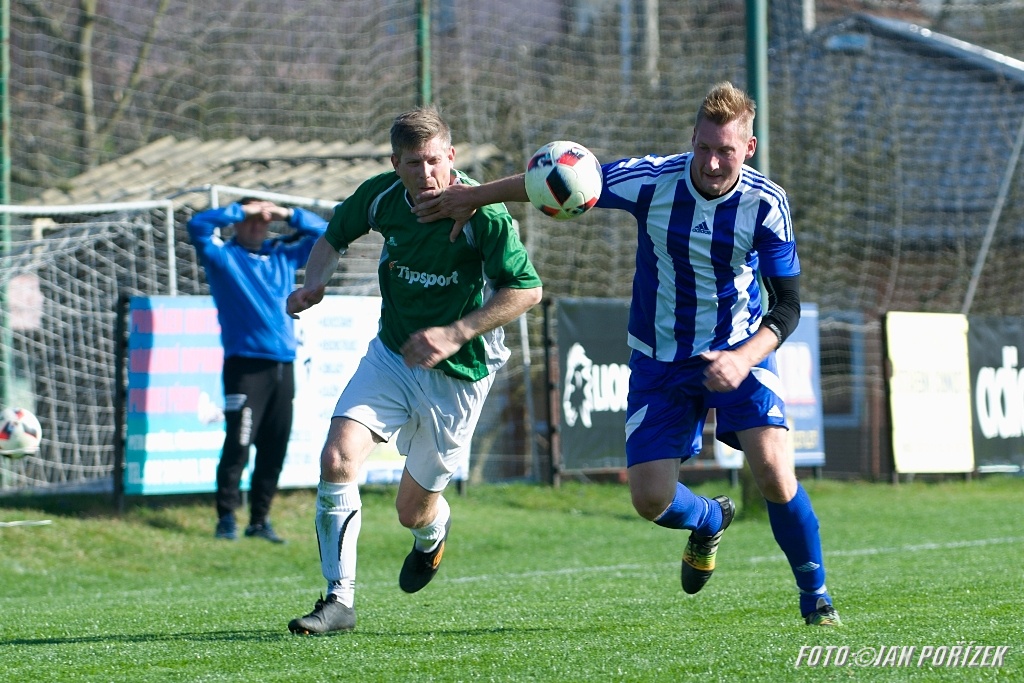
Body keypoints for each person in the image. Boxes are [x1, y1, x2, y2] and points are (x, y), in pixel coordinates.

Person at [413, 82, 841, 627]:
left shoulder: (766, 204)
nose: (712, 162)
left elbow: (788, 306)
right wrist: (474, 196)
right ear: (692, 138)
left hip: (740, 349)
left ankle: (816, 597)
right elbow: (562, 176)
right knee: (650, 500)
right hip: (660, 359)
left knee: (775, 472)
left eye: (726, 151)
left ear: (748, 149)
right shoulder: (653, 179)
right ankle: (708, 520)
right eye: (704, 147)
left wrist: (744, 358)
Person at [285, 106, 543, 635]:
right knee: (337, 457)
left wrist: (455, 333)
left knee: (412, 512)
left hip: (460, 373)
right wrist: (315, 282)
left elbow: (527, 290)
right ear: (395, 164)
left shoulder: (485, 216)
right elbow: (332, 239)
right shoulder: (380, 196)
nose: (427, 174)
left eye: (434, 161)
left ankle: (432, 535)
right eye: (413, 163)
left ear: (451, 156)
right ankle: (339, 600)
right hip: (393, 355)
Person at [187, 198, 328, 543]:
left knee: (274, 448)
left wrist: (286, 214)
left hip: (283, 365)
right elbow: (198, 225)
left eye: (262, 220)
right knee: (239, 443)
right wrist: (243, 210)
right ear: (237, 222)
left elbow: (325, 234)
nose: (256, 225)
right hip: (245, 366)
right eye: (250, 219)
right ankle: (226, 519)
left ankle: (259, 521)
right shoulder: (224, 257)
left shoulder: (281, 254)